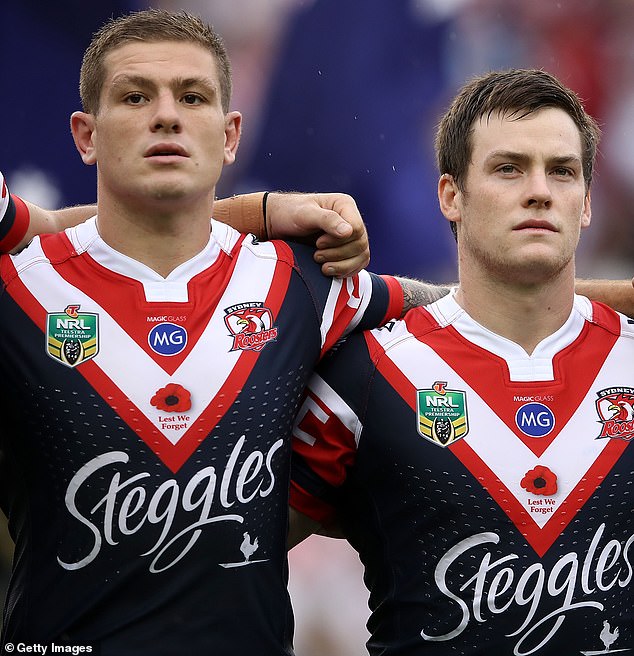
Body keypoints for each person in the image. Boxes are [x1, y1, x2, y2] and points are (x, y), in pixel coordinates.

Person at [0, 9, 440, 654]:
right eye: (134, 97)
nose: (167, 115)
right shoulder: (16, 292)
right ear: (85, 136)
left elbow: (473, 312)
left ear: (232, 135)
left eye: (193, 97)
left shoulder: (302, 284)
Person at [289, 69, 634, 655]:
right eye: (508, 169)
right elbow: (227, 562)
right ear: (450, 194)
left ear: (586, 204)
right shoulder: (368, 377)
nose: (539, 190)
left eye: (562, 171)